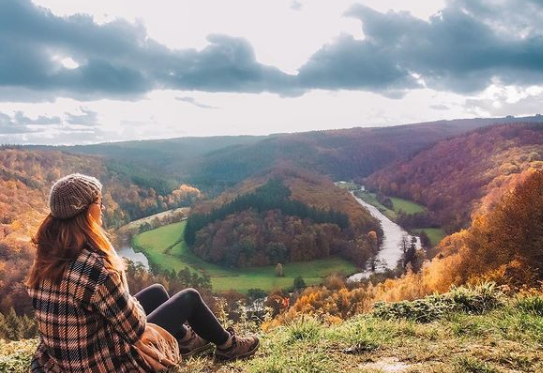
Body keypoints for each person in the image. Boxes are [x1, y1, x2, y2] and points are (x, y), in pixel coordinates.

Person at [26, 173, 259, 372]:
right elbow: (135, 329)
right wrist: (127, 299)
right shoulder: (94, 268)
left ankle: (187, 341)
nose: (103, 208)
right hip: (104, 365)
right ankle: (228, 346)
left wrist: (123, 303)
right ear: (86, 212)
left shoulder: (46, 258)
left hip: (66, 361)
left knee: (157, 292)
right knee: (189, 298)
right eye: (99, 202)